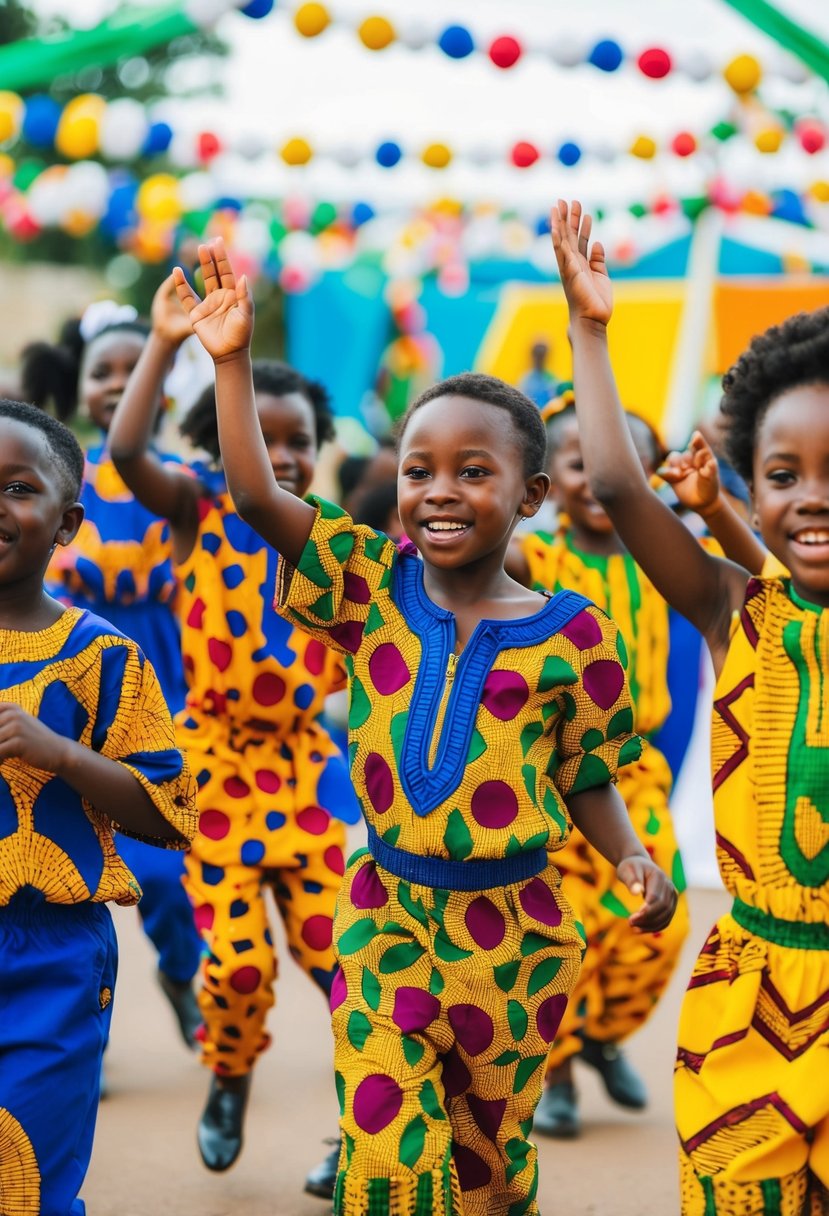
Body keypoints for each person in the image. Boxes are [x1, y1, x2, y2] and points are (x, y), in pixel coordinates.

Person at [173, 238, 678, 1216]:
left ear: (529, 497)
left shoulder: (576, 638)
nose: (439, 487)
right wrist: (230, 362)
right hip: (386, 913)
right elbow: (255, 497)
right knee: (390, 1154)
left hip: (517, 936)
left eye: (472, 470)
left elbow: (585, 774)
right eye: (419, 468)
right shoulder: (368, 585)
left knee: (488, 1166)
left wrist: (628, 859)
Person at [550, 198, 829, 1215]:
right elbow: (624, 492)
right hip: (747, 997)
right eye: (784, 474)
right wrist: (589, 329)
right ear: (751, 489)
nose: (811, 497)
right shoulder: (731, 609)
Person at [107, 275, 354, 1190]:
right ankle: (230, 1070)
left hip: (307, 772)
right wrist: (170, 344)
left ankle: (364, 1131)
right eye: (265, 437)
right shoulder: (196, 511)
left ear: (322, 451)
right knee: (240, 969)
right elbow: (127, 450)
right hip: (216, 771)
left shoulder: (333, 539)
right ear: (220, 442)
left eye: (300, 442)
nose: (282, 456)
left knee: (346, 961)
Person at [0, 399, 196, 1216]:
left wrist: (63, 755)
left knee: (28, 1175)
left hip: (51, 954)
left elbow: (168, 811)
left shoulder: (100, 655)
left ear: (67, 522)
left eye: (16, 488)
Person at [506, 393, 691, 1138]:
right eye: (576, 466)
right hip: (555, 774)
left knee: (658, 922)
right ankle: (556, 1071)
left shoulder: (660, 554)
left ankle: (603, 1035)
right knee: (564, 930)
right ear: (546, 480)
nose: (595, 482)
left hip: (635, 770)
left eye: (613, 466)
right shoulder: (544, 558)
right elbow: (490, 543)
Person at [21, 306, 204, 1049]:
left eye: (137, 369)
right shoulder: (45, 479)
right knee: (58, 850)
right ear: (80, 384)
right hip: (62, 691)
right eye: (104, 372)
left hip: (167, 685)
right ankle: (66, 1004)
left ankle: (181, 973)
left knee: (165, 874)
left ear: (163, 385)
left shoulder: (185, 486)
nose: (118, 384)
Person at [519, 340, 558, 409]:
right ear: (533, 355)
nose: (540, 359)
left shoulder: (551, 379)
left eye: (542, 355)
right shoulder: (526, 381)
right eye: (538, 355)